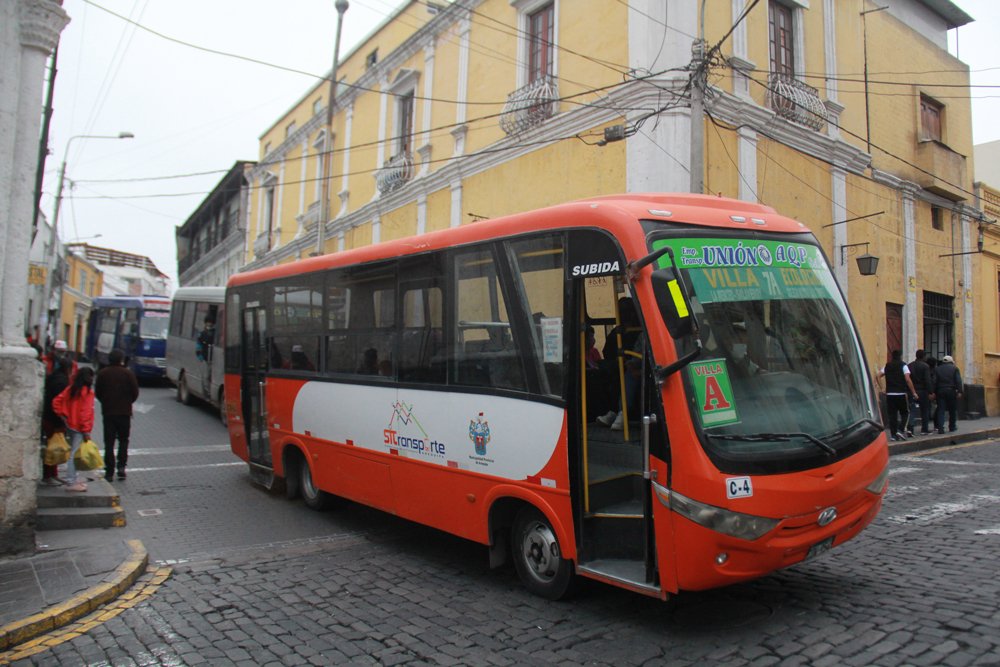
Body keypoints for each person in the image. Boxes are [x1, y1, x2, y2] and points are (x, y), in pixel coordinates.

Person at [95, 348, 140, 481]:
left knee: (109, 442)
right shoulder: (128, 374)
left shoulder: (103, 374)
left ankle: (109, 471)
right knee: (123, 440)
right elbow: (135, 392)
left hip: (108, 412)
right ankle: (121, 468)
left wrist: (106, 401)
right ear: (121, 360)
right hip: (124, 412)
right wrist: (127, 402)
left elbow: (98, 392)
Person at [52, 366, 96, 492]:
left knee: (73, 452)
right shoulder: (87, 393)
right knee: (74, 455)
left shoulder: (71, 389)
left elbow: (56, 401)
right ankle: (71, 482)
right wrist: (86, 430)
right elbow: (85, 413)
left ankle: (74, 479)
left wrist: (62, 415)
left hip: (70, 425)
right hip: (79, 428)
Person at [40, 355, 73, 485]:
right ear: (68, 369)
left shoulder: (55, 377)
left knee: (53, 446)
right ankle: (48, 475)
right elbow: (59, 403)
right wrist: (62, 419)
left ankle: (52, 474)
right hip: (54, 419)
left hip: (50, 417)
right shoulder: (61, 382)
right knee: (53, 447)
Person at [877, 350, 918, 441]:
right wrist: (914, 392)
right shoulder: (903, 366)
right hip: (901, 393)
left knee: (892, 415)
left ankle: (893, 435)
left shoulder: (887, 365)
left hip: (890, 394)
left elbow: (878, 375)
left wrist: (882, 388)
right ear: (900, 356)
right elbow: (908, 379)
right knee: (905, 413)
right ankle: (900, 429)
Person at [933, 354, 963, 434]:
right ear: (951, 362)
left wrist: (933, 392)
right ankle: (952, 427)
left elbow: (934, 382)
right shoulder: (955, 368)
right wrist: (960, 391)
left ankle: (940, 428)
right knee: (952, 410)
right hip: (951, 391)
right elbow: (958, 381)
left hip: (940, 391)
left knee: (941, 409)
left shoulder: (937, 369)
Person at [907, 349, 934, 435]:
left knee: (912, 410)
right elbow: (927, 380)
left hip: (912, 390)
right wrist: (931, 391)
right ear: (923, 356)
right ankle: (924, 429)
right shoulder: (925, 366)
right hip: (923, 391)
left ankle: (910, 428)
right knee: (924, 410)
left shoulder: (909, 365)